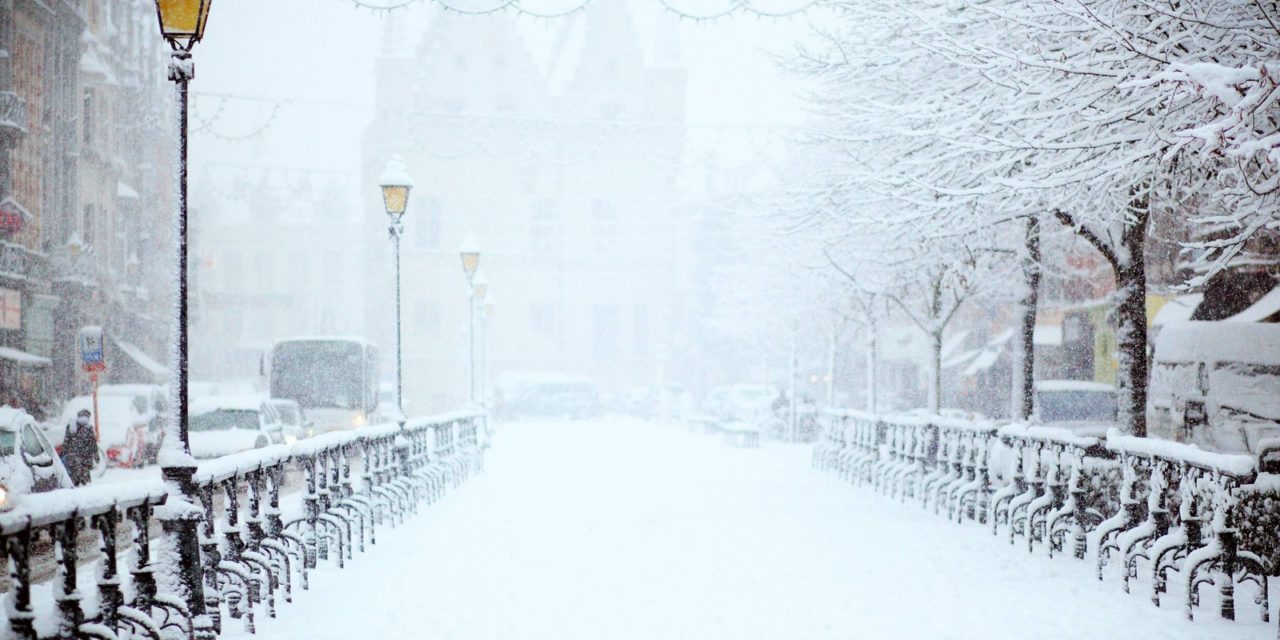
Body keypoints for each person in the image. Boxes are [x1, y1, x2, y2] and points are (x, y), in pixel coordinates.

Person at [62, 409, 98, 486]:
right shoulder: (88, 428)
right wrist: (96, 456)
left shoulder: (71, 426)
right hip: (85, 459)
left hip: (72, 459)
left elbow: (66, 442)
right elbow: (93, 444)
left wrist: (65, 454)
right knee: (85, 482)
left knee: (74, 479)